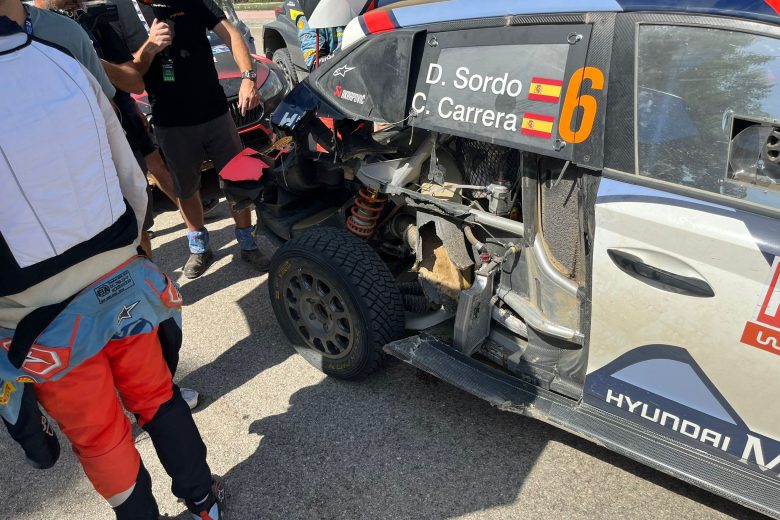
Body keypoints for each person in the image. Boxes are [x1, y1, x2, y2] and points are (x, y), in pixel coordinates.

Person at [0, 15, 224, 520]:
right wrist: (126, 249)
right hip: (118, 276)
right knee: (158, 397)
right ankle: (204, 503)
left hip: (33, 313)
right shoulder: (61, 59)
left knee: (100, 434)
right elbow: (128, 172)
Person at [133, 0, 270, 279]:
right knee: (186, 188)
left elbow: (231, 34)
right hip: (171, 121)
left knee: (238, 179)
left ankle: (248, 242)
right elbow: (130, 72)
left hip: (215, 112)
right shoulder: (128, 12)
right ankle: (199, 248)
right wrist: (149, 47)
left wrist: (248, 77)